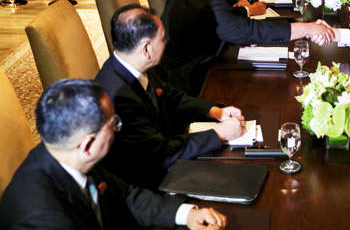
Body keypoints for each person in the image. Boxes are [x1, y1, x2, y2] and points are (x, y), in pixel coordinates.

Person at [0, 79, 227, 230]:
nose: (119, 129)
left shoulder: (67, 154)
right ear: (88, 144)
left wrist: (185, 214)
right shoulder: (44, 219)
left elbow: (126, 195)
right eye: (114, 124)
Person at [95, 4, 245, 189]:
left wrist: (216, 112)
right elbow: (160, 154)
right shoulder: (118, 97)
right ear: (146, 48)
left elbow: (170, 96)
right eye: (163, 38)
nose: (167, 42)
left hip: (168, 147)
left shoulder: (132, 63)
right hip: (149, 182)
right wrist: (218, 134)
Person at [159, 0, 335, 95]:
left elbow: (235, 25)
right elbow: (251, 30)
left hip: (207, 65)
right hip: (191, 86)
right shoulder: (203, 3)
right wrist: (308, 28)